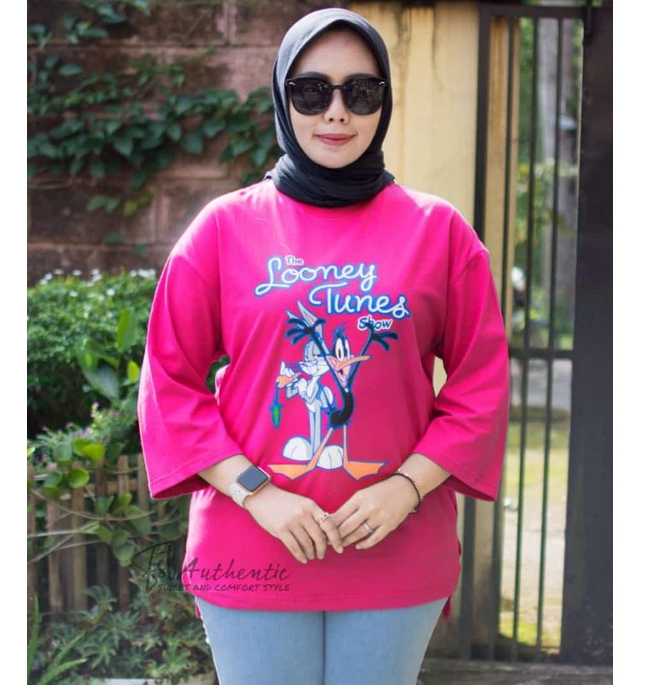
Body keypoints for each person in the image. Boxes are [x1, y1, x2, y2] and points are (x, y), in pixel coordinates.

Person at [137, 7, 510, 685]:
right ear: (283, 98)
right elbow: (169, 382)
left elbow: (480, 385)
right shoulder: (223, 228)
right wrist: (258, 493)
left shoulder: (439, 232)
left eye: (360, 91)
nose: (336, 112)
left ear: (383, 102)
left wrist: (406, 487)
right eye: (312, 91)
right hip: (250, 542)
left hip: (396, 544)